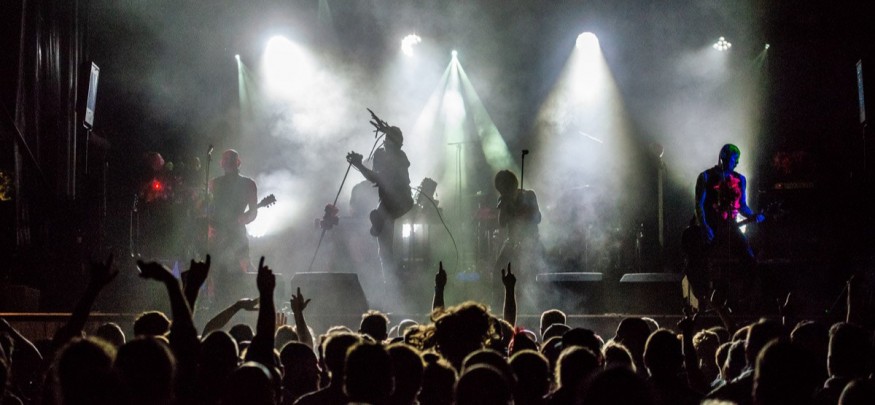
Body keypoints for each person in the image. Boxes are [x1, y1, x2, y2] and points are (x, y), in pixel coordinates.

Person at [687, 144, 764, 304]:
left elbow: (742, 205)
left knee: (748, 257)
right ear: (723, 157)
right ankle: (701, 295)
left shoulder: (740, 179)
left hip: (730, 226)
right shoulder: (706, 176)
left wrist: (754, 216)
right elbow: (699, 205)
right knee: (698, 260)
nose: (736, 163)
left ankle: (743, 297)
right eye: (734, 159)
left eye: (737, 160)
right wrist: (704, 226)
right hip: (710, 225)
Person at [347, 127, 413, 282]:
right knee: (384, 250)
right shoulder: (387, 156)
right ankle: (389, 282)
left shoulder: (397, 158)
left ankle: (393, 282)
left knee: (387, 250)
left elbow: (377, 177)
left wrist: (359, 165)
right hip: (392, 205)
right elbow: (375, 177)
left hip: (397, 204)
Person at [209, 149, 258, 307]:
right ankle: (216, 305)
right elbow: (210, 209)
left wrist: (245, 218)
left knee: (242, 270)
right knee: (217, 273)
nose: (228, 162)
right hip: (218, 235)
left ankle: (245, 304)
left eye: (231, 159)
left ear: (238, 162)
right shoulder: (215, 183)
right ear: (221, 163)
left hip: (237, 235)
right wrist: (210, 228)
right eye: (225, 159)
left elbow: (253, 212)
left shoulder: (248, 184)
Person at [493, 170, 542, 305]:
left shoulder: (529, 195)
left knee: (526, 273)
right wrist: (505, 207)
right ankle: (497, 302)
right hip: (512, 241)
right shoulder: (503, 200)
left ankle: (529, 302)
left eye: (505, 187)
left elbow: (538, 218)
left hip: (530, 241)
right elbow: (502, 223)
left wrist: (523, 212)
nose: (503, 192)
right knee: (498, 269)